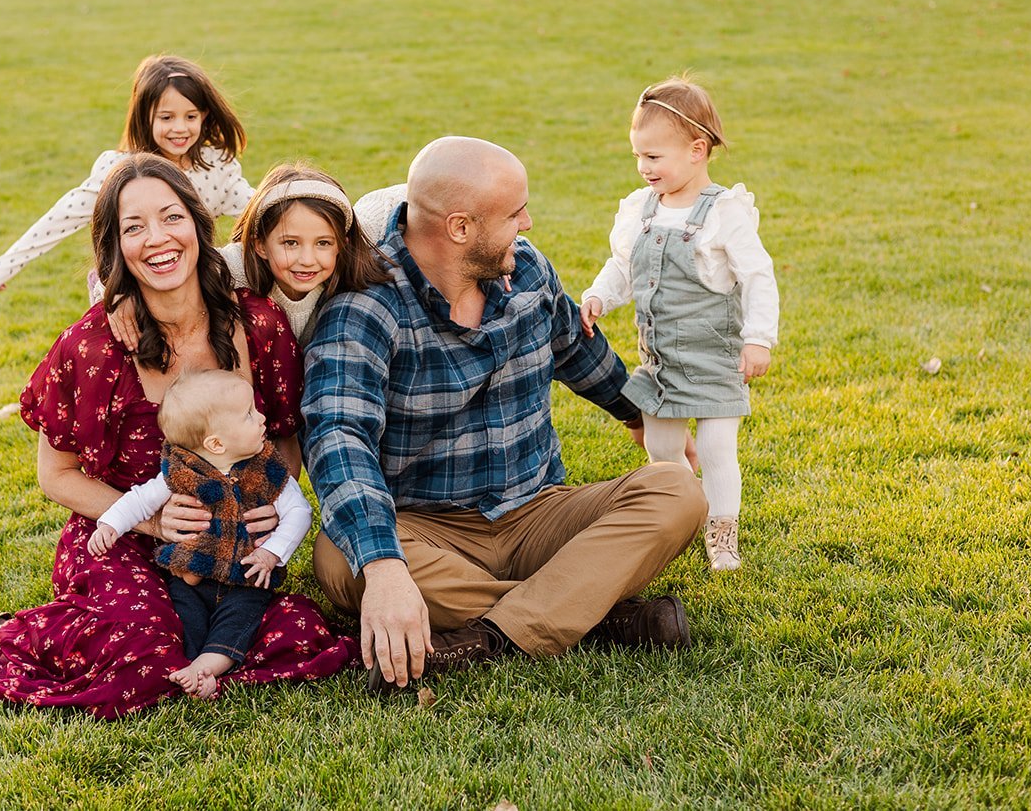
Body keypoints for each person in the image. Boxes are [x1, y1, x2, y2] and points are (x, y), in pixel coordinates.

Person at [0, 155, 353, 717]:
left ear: (197, 225)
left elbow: (282, 435)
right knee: (145, 660)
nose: (158, 240)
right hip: (120, 533)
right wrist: (154, 521)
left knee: (302, 637)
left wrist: (265, 505)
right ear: (116, 247)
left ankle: (169, 632)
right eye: (135, 227)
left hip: (224, 539)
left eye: (171, 217)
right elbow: (54, 474)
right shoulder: (91, 347)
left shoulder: (257, 323)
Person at [302, 136, 708, 693]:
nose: (529, 222)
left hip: (537, 510)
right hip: (424, 527)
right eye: (515, 213)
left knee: (677, 493)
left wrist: (639, 415)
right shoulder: (364, 304)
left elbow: (575, 347)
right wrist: (387, 567)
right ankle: (593, 614)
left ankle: (487, 638)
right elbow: (338, 437)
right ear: (460, 227)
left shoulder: (527, 271)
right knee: (341, 558)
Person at [578, 76, 778, 572]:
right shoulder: (640, 211)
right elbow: (624, 265)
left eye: (654, 157)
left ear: (696, 150)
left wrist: (758, 339)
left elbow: (758, 275)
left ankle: (722, 533)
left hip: (713, 360)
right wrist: (600, 294)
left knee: (714, 448)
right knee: (663, 446)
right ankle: (672, 515)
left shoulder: (723, 213)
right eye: (638, 157)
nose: (644, 168)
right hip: (661, 361)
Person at [90, 369, 313, 699]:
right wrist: (110, 524)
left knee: (237, 624)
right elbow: (140, 499)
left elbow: (300, 512)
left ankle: (208, 670)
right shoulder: (181, 472)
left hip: (245, 576)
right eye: (249, 415)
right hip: (189, 576)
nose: (262, 417)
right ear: (216, 443)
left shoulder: (268, 469)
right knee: (184, 620)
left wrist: (272, 552)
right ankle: (190, 667)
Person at [0, 54, 255, 295]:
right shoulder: (119, 172)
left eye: (190, 116)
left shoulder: (215, 167)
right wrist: (4, 266)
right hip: (131, 288)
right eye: (166, 117)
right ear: (145, 116)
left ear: (205, 115)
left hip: (194, 286)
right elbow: (63, 216)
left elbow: (262, 211)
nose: (180, 128)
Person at [106, 162, 391, 348]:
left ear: (342, 242)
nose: (307, 258)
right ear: (259, 245)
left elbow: (389, 201)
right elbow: (173, 263)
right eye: (290, 243)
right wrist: (120, 295)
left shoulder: (356, 246)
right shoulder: (236, 265)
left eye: (323, 243)